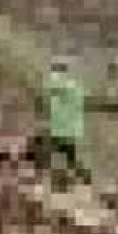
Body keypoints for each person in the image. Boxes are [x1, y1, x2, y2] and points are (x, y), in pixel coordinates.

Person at [38, 57, 89, 185]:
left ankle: (62, 178)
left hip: (62, 126)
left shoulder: (61, 82)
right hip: (70, 126)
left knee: (50, 150)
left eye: (54, 70)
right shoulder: (75, 85)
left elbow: (48, 91)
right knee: (67, 155)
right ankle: (76, 175)